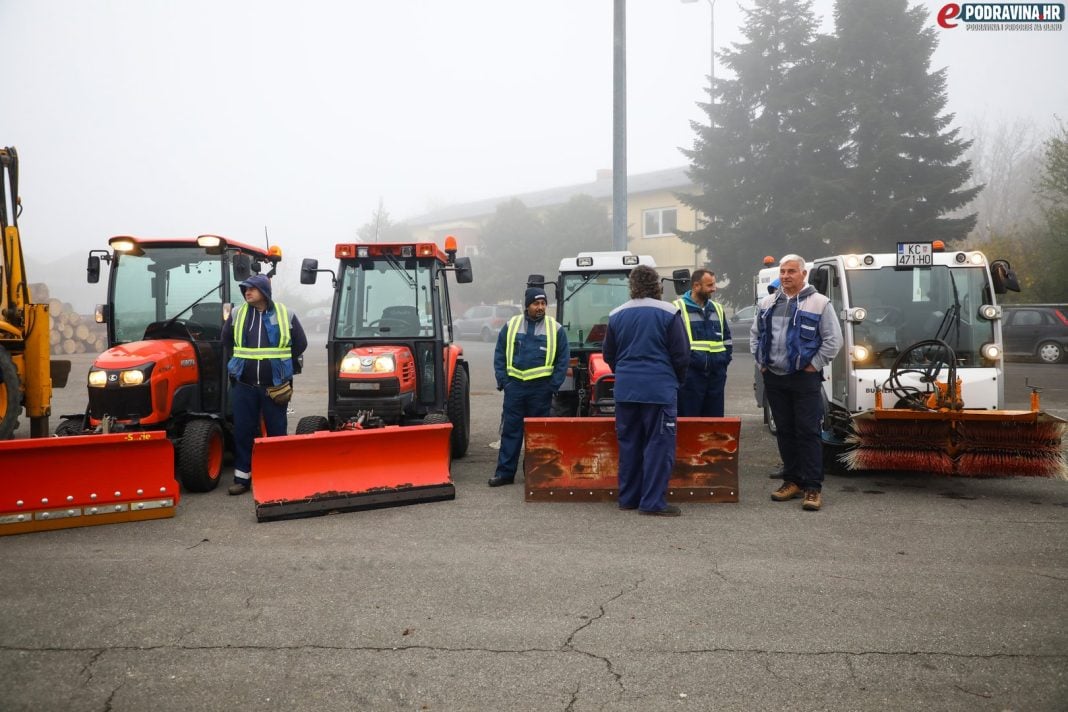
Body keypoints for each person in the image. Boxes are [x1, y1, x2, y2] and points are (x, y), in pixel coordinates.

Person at [750, 255, 842, 511]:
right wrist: (763, 364)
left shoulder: (820, 303)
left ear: (803, 274)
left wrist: (814, 365)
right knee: (785, 431)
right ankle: (792, 481)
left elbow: (833, 340)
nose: (786, 275)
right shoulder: (768, 303)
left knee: (808, 432)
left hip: (804, 378)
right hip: (775, 377)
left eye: (791, 271)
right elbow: (755, 335)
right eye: (783, 271)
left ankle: (813, 488)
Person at [603, 265, 689, 516]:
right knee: (658, 446)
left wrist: (626, 373)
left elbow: (609, 353)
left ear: (632, 286)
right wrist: (676, 381)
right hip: (659, 390)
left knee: (629, 444)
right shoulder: (669, 312)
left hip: (626, 390)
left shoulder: (616, 314)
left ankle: (628, 498)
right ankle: (652, 503)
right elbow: (681, 355)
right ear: (657, 286)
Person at [222, 273, 308, 495]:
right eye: (245, 290)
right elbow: (226, 341)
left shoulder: (285, 314)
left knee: (277, 431)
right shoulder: (237, 313)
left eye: (251, 289)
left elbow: (300, 343)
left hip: (275, 386)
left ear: (264, 292)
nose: (247, 293)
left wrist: (281, 363)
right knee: (242, 431)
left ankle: (277, 476)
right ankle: (242, 479)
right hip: (244, 385)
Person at [490, 287, 569, 487]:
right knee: (511, 431)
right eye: (536, 304)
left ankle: (535, 474)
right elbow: (500, 354)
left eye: (543, 304)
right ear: (527, 305)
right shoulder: (511, 325)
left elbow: (563, 360)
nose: (540, 307)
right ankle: (505, 474)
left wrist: (553, 385)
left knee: (537, 433)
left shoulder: (556, 329)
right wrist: (504, 381)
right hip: (514, 388)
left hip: (541, 390)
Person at [674, 269, 732, 417]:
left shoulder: (717, 308)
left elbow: (726, 339)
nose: (714, 288)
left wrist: (724, 361)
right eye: (710, 285)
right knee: (689, 423)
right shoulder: (677, 308)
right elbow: (673, 345)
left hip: (716, 376)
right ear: (696, 286)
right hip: (690, 377)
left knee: (714, 423)